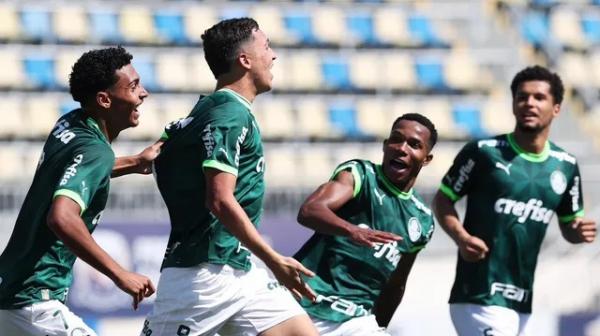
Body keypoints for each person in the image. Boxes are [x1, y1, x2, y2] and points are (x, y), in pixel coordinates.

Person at [140, 18, 319, 336]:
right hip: (202, 276)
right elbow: (219, 199)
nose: (273, 55)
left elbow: (156, 156)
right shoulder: (228, 114)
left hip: (239, 267)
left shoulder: (203, 111)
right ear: (245, 60)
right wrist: (275, 259)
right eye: (266, 46)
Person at [0, 46, 157, 336]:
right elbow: (61, 218)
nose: (143, 93)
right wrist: (120, 274)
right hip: (34, 302)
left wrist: (135, 162)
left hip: (10, 289)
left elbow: (76, 168)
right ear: (104, 100)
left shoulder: (69, 123)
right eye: (134, 86)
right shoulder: (96, 151)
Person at [432, 65, 597, 336]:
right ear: (513, 104)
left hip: (520, 301)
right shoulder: (483, 153)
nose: (529, 103)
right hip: (478, 295)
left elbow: (570, 226)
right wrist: (461, 237)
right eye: (522, 97)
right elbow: (443, 199)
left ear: (556, 108)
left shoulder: (565, 166)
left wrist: (577, 232)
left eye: (539, 97)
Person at [294, 113, 438, 335]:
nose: (401, 148)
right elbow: (309, 211)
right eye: (396, 139)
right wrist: (351, 230)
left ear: (426, 158)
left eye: (414, 145)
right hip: (305, 302)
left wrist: (379, 328)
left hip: (355, 320)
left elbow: (396, 284)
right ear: (385, 145)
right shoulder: (361, 174)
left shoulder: (422, 220)